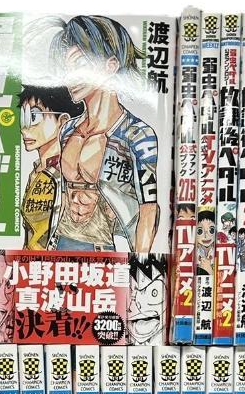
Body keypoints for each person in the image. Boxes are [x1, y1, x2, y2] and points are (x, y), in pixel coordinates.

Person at [45, 15, 160, 253]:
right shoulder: (68, 129)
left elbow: (148, 208)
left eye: (80, 65)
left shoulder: (137, 134)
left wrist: (141, 263)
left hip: (107, 251)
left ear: (111, 66)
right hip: (60, 246)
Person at [18, 83, 82, 249]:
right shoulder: (36, 171)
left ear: (63, 121)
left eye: (34, 117)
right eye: (23, 118)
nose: (24, 129)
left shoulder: (68, 172)